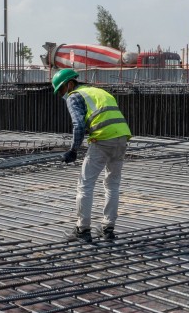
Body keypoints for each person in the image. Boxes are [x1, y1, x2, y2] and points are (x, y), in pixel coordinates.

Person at [52, 69, 131, 242]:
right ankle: (108, 229)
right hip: (122, 137)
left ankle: (83, 230)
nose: (62, 95)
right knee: (112, 185)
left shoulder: (75, 96)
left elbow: (78, 125)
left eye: (61, 90)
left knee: (85, 185)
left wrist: (73, 150)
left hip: (102, 139)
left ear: (70, 84)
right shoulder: (99, 92)